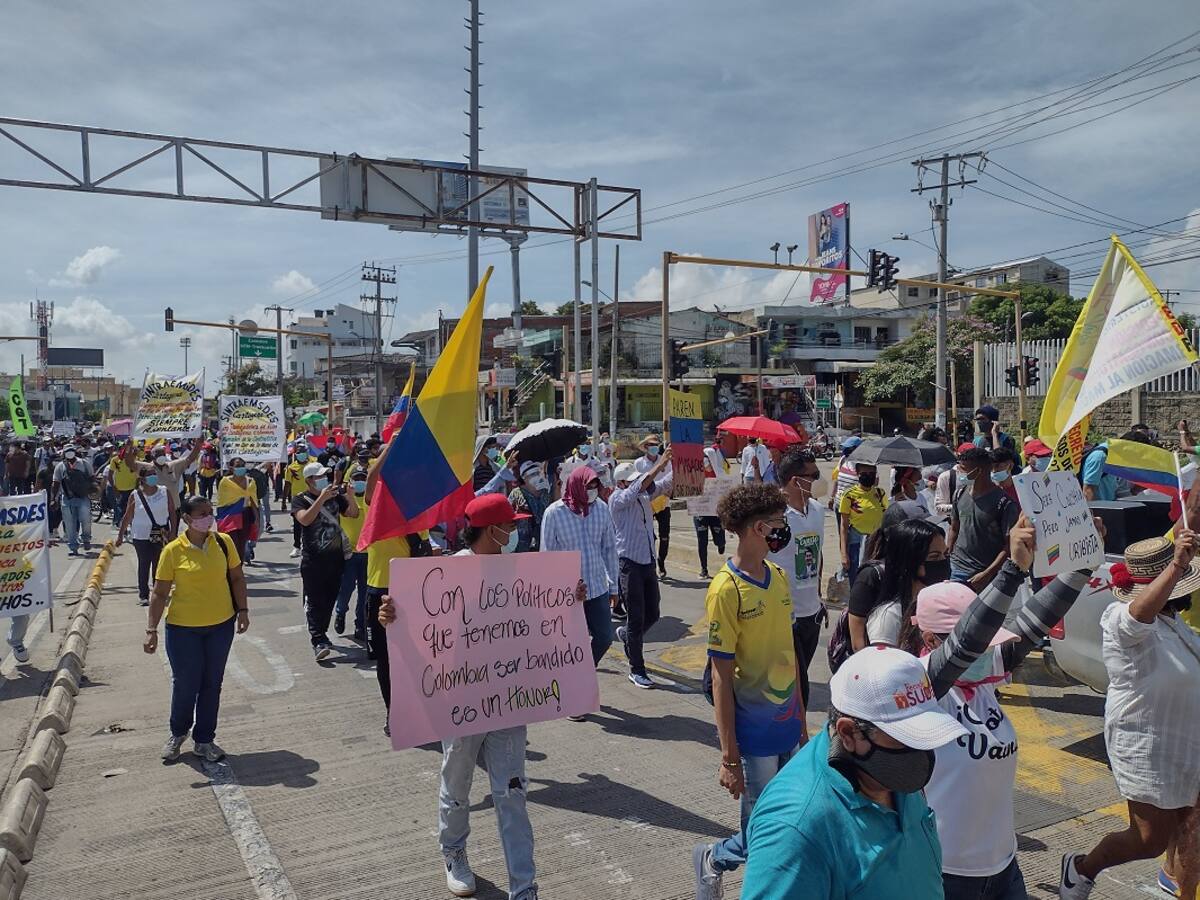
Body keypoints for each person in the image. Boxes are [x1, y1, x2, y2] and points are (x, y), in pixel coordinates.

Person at [902, 516, 1098, 900]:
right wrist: (1012, 570)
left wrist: (1081, 562)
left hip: (1003, 867)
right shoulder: (921, 684)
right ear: (930, 638)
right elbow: (965, 645)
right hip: (946, 873)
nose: (990, 651)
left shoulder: (981, 678)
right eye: (982, 642)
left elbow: (1030, 627)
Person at [377, 493, 552, 900]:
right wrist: (390, 615)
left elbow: (545, 620)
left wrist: (568, 599)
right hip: (461, 704)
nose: (515, 530)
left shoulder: (521, 572)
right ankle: (453, 850)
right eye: (509, 524)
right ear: (491, 530)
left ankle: (524, 887)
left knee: (512, 793)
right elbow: (414, 625)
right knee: (457, 782)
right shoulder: (443, 574)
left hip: (508, 701)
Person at [738, 646, 970, 899]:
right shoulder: (795, 828)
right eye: (905, 738)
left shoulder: (886, 776)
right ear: (848, 733)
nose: (920, 752)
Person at [1060, 533, 1200, 900]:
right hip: (1147, 743)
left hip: (1185, 740)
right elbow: (1137, 614)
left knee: (1190, 829)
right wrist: (1177, 566)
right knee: (1150, 840)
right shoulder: (1120, 619)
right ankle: (1081, 869)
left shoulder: (1176, 626)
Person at [693, 484, 805, 900]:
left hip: (787, 723)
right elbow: (721, 676)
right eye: (779, 523)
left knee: (788, 818)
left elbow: (789, 655)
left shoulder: (777, 576)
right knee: (765, 826)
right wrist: (729, 756)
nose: (783, 530)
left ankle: (719, 857)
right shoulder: (726, 589)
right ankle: (720, 861)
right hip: (754, 733)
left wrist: (802, 721)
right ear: (759, 528)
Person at [144, 496, 250, 763]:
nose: (208, 518)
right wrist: (151, 629)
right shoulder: (172, 551)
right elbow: (159, 593)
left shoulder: (224, 543)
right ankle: (178, 733)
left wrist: (243, 611)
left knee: (212, 684)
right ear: (187, 519)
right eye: (202, 514)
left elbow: (237, 578)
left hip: (220, 626)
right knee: (186, 684)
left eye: (210, 512)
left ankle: (204, 739)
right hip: (183, 630)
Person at [540, 465, 618, 671]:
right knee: (571, 642)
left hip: (598, 587)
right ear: (575, 486)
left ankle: (583, 672)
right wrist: (559, 587)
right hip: (568, 594)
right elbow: (548, 557)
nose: (592, 490)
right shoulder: (554, 514)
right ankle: (574, 680)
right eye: (587, 486)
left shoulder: (601, 509)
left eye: (595, 486)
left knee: (604, 637)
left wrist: (614, 587)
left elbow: (609, 549)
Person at [768, 448, 829, 707]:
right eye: (813, 475)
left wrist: (818, 594)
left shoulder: (816, 510)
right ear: (795, 480)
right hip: (782, 615)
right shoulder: (773, 515)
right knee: (789, 685)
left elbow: (818, 553)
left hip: (811, 613)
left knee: (799, 677)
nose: (819, 480)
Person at [610, 452, 673, 689]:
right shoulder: (617, 499)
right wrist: (660, 464)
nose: (640, 483)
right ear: (621, 482)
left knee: (653, 613)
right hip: (629, 564)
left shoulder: (643, 497)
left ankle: (627, 636)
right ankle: (637, 669)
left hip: (648, 562)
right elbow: (638, 487)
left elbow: (663, 485)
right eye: (633, 480)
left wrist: (683, 464)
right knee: (636, 617)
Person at [291, 460, 357, 661]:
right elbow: (305, 519)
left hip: (336, 559)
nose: (324, 479)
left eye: (325, 476)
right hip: (313, 560)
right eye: (320, 477)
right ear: (309, 480)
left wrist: (351, 497)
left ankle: (322, 633)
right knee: (314, 600)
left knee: (329, 599)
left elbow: (352, 513)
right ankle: (318, 639)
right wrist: (321, 498)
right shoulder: (300, 499)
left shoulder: (335, 496)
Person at [848, 519, 948, 651]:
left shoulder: (930, 602)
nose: (944, 562)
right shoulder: (889, 617)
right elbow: (881, 668)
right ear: (910, 561)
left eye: (946, 554)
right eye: (934, 557)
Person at [948, 446, 1019, 589]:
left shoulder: (1004, 503)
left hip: (986, 576)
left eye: (963, 469)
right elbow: (954, 528)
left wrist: (987, 573)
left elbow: (1009, 545)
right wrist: (948, 553)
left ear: (978, 471)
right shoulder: (959, 494)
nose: (959, 472)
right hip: (957, 569)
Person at [116, 468, 177, 607]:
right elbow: (128, 516)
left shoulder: (164, 491)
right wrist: (120, 535)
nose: (153, 477)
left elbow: (172, 512)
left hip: (161, 534)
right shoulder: (135, 495)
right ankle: (143, 595)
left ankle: (158, 592)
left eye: (154, 474)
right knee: (144, 563)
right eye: (149, 475)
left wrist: (173, 532)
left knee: (159, 563)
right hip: (141, 535)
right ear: (142, 479)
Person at [837, 461, 887, 584]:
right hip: (856, 543)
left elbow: (886, 516)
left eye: (872, 473)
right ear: (858, 474)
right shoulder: (849, 495)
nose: (868, 476)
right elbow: (843, 526)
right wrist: (844, 554)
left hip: (876, 543)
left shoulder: (880, 494)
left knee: (876, 578)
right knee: (856, 579)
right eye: (865, 473)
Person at [334, 466, 369, 639]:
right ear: (350, 482)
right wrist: (349, 495)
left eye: (364, 478)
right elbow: (350, 515)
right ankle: (340, 612)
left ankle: (360, 626)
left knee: (365, 592)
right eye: (357, 479)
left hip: (368, 553)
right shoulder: (343, 500)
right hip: (349, 554)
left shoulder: (372, 500)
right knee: (346, 588)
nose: (360, 482)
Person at [634, 435, 672, 580]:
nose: (654, 447)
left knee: (665, 535)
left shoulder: (666, 461)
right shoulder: (639, 463)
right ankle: (651, 563)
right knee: (649, 535)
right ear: (646, 447)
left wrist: (670, 491)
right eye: (650, 445)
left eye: (656, 444)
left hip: (663, 501)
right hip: (646, 503)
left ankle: (661, 560)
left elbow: (671, 478)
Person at [695, 441, 732, 579]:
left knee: (719, 538)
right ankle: (703, 568)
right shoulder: (696, 474)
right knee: (701, 540)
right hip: (700, 510)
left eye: (707, 461)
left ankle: (721, 543)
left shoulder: (720, 476)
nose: (706, 465)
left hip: (715, 512)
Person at [52, 444, 95, 556]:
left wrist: (93, 490)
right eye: (67, 451)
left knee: (86, 520)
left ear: (75, 451)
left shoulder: (85, 464)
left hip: (83, 497)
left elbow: (92, 478)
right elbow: (55, 483)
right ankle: (73, 547)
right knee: (69, 524)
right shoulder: (60, 467)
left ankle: (86, 539)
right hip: (67, 499)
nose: (69, 453)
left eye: (71, 450)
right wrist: (53, 499)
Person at [137, 439, 202, 512]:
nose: (161, 457)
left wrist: (199, 444)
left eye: (163, 454)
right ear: (152, 457)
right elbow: (130, 463)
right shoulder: (147, 468)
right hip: (156, 510)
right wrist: (128, 449)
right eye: (158, 455)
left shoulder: (173, 465)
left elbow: (190, 458)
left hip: (174, 507)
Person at [215, 456, 258, 565]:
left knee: (241, 546)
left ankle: (238, 570)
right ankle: (230, 569)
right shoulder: (225, 482)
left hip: (245, 516)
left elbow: (253, 501)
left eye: (242, 466)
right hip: (230, 517)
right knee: (231, 544)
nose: (241, 468)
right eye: (238, 466)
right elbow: (222, 502)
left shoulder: (251, 482)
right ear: (231, 468)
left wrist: (257, 518)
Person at [508, 461, 551, 553]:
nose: (536, 476)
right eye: (532, 474)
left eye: (537, 473)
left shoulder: (545, 492)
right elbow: (507, 517)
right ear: (524, 477)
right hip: (521, 545)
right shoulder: (516, 494)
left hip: (542, 543)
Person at [283, 444, 311, 558]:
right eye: (298, 453)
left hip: (311, 497)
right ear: (295, 454)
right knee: (297, 525)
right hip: (298, 500)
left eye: (303, 452)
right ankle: (297, 547)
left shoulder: (313, 464)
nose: (301, 455)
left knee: (311, 523)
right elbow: (287, 484)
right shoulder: (291, 468)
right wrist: (284, 501)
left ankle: (308, 546)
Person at [107, 441, 140, 526]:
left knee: (133, 510)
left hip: (133, 489)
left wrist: (137, 487)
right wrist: (114, 488)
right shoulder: (115, 460)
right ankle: (123, 531)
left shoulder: (135, 460)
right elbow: (110, 475)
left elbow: (139, 474)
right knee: (122, 510)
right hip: (120, 490)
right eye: (124, 447)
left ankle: (133, 529)